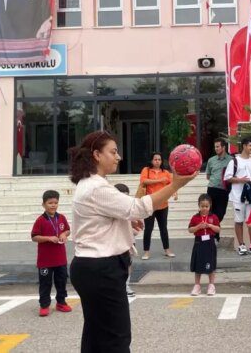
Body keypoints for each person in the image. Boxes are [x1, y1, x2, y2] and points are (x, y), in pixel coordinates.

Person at [68, 131, 196, 352]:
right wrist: (175, 185)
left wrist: (126, 225)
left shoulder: (92, 184)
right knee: (116, 338)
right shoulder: (96, 187)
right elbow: (136, 207)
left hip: (92, 267)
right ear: (97, 155)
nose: (118, 157)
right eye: (113, 152)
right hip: (101, 269)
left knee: (97, 334)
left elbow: (106, 221)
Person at [30, 190, 72, 317]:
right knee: (45, 283)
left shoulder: (62, 218)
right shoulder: (40, 220)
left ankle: (61, 302)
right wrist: (48, 238)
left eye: (55, 202)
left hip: (60, 259)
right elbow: (34, 237)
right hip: (45, 260)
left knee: (61, 281)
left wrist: (64, 234)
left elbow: (68, 230)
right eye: (50, 203)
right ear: (43, 204)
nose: (53, 205)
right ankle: (44, 305)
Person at [224, 137, 251, 256]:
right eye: (250, 145)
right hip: (237, 196)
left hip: (250, 197)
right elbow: (228, 178)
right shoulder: (234, 161)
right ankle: (241, 245)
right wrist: (241, 180)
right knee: (239, 221)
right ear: (244, 146)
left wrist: (249, 184)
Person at [139, 152, 176, 260]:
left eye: (159, 159)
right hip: (149, 204)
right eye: (155, 159)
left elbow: (172, 184)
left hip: (163, 204)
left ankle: (167, 249)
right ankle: (146, 252)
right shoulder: (146, 170)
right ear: (151, 160)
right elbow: (144, 181)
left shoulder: (166, 172)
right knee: (148, 229)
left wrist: (174, 192)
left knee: (163, 228)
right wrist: (160, 180)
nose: (157, 161)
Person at [188, 194, 220, 296]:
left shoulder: (213, 217)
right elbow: (190, 229)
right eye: (202, 206)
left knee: (211, 264)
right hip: (199, 242)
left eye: (206, 206)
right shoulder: (195, 217)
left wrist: (210, 225)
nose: (204, 208)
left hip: (210, 242)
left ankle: (211, 285)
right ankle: (197, 286)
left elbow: (218, 229)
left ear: (210, 206)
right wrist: (198, 227)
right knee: (198, 264)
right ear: (199, 206)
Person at [205, 138, 233, 241]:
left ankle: (213, 232)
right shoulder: (211, 160)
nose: (216, 148)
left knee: (220, 213)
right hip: (211, 189)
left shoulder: (231, 160)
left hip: (223, 190)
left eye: (218, 146)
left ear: (223, 147)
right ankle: (214, 235)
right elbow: (208, 176)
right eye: (215, 147)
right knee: (210, 212)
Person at [113, 183, 136, 297]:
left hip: (128, 241)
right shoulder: (109, 209)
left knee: (128, 263)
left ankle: (126, 285)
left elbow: (135, 225)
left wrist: (134, 229)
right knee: (114, 264)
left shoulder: (130, 209)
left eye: (126, 196)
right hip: (113, 242)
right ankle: (116, 286)